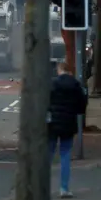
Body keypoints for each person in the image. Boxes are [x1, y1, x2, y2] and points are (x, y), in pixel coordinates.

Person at [48, 62, 88, 198]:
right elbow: (82, 106)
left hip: (53, 123)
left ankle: (43, 184)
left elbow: (46, 102)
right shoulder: (76, 85)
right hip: (68, 123)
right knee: (65, 155)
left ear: (59, 70)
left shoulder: (52, 83)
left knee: (49, 154)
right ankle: (64, 188)